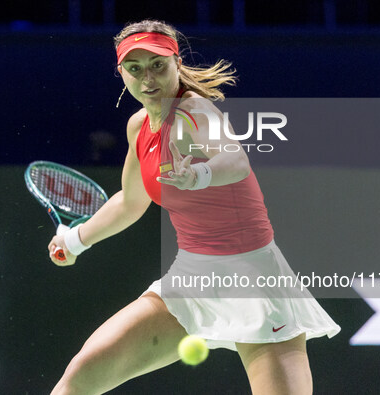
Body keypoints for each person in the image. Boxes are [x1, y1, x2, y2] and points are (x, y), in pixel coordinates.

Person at [48, 19, 340, 395]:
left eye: (158, 65)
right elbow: (130, 201)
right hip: (190, 277)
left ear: (176, 62)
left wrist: (199, 174)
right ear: (121, 73)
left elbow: (234, 159)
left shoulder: (196, 111)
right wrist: (74, 241)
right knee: (79, 379)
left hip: (254, 280)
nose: (148, 79)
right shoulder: (139, 127)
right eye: (134, 69)